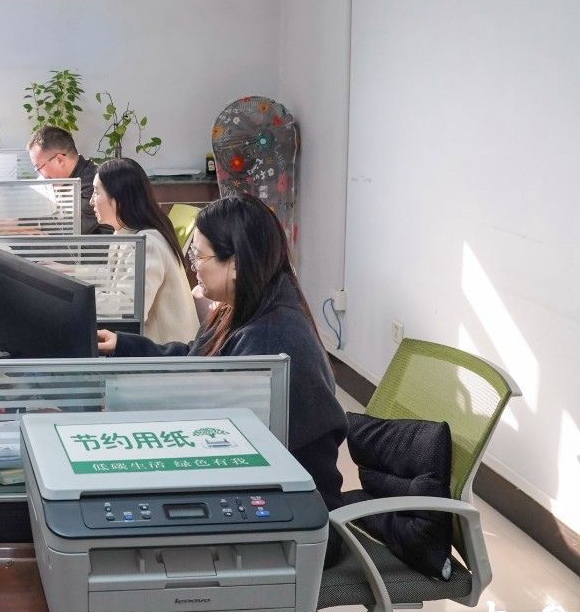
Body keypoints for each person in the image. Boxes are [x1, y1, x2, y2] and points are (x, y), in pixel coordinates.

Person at [98, 194, 347, 565]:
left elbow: (217, 426)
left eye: (199, 256)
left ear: (236, 264)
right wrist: (123, 346)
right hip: (262, 499)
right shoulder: (247, 307)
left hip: (296, 525)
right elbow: (195, 362)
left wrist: (130, 405)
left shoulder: (271, 339)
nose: (193, 266)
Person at [91, 157, 199, 346]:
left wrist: (80, 298)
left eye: (96, 192)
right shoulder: (125, 233)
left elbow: (129, 308)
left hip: (166, 354)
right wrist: (70, 272)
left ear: (118, 200)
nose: (91, 201)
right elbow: (114, 280)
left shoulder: (147, 244)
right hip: (149, 348)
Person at [27, 126, 112, 235]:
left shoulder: (94, 182)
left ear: (59, 160)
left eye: (39, 167)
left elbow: (68, 229)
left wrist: (21, 225)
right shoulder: (62, 180)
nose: (40, 174)